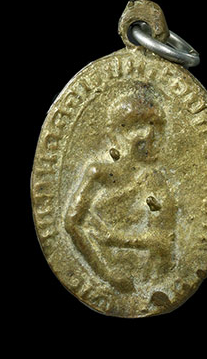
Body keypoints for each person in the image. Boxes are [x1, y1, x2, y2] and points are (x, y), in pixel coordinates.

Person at [65, 88, 177, 293]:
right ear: (119, 135)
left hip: (146, 274)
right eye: (141, 128)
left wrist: (112, 237)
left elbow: (163, 241)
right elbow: (72, 223)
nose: (153, 138)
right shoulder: (97, 173)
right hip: (109, 268)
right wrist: (106, 274)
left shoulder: (154, 180)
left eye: (157, 130)